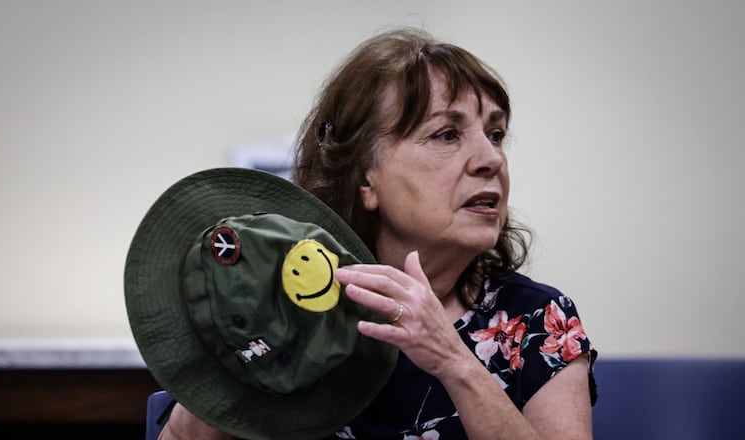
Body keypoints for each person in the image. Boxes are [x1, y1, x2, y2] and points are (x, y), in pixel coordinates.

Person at [160, 26, 597, 440]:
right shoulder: (295, 300)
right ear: (365, 179)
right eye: (446, 134)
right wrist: (245, 343)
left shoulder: (539, 319)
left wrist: (453, 360)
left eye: (496, 134)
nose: (491, 159)